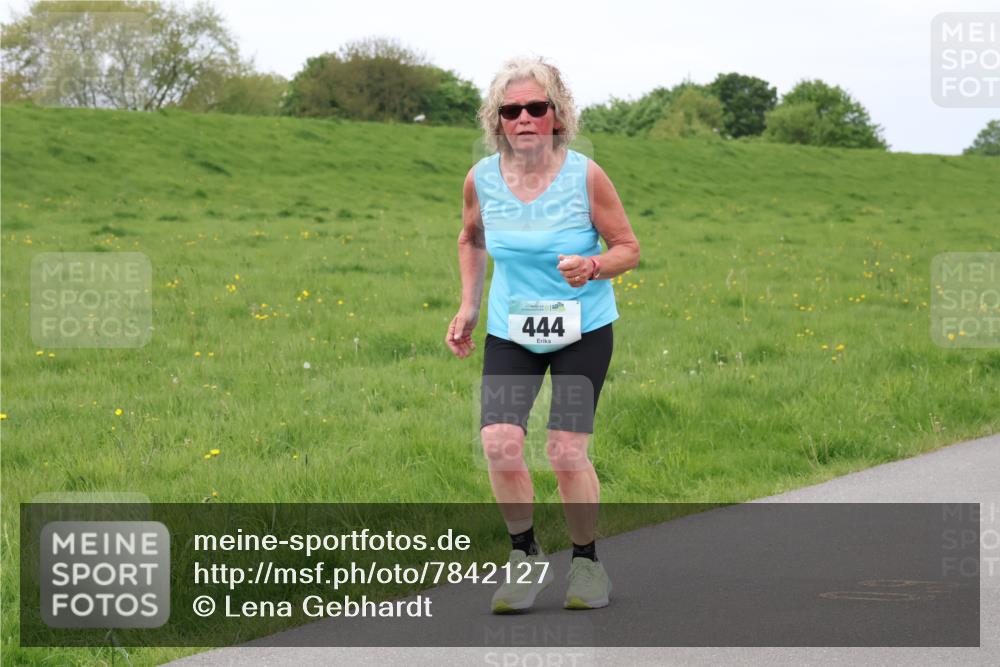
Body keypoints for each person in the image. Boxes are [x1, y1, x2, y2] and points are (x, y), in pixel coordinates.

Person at [445, 56, 639, 613]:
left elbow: (628, 246)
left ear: (557, 115)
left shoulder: (585, 175)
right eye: (512, 110)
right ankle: (525, 557)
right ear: (497, 120)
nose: (524, 118)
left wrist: (595, 266)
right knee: (500, 444)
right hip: (513, 333)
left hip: (582, 330)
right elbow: (471, 239)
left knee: (563, 450)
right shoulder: (481, 179)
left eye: (537, 107)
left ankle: (586, 565)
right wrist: (469, 305)